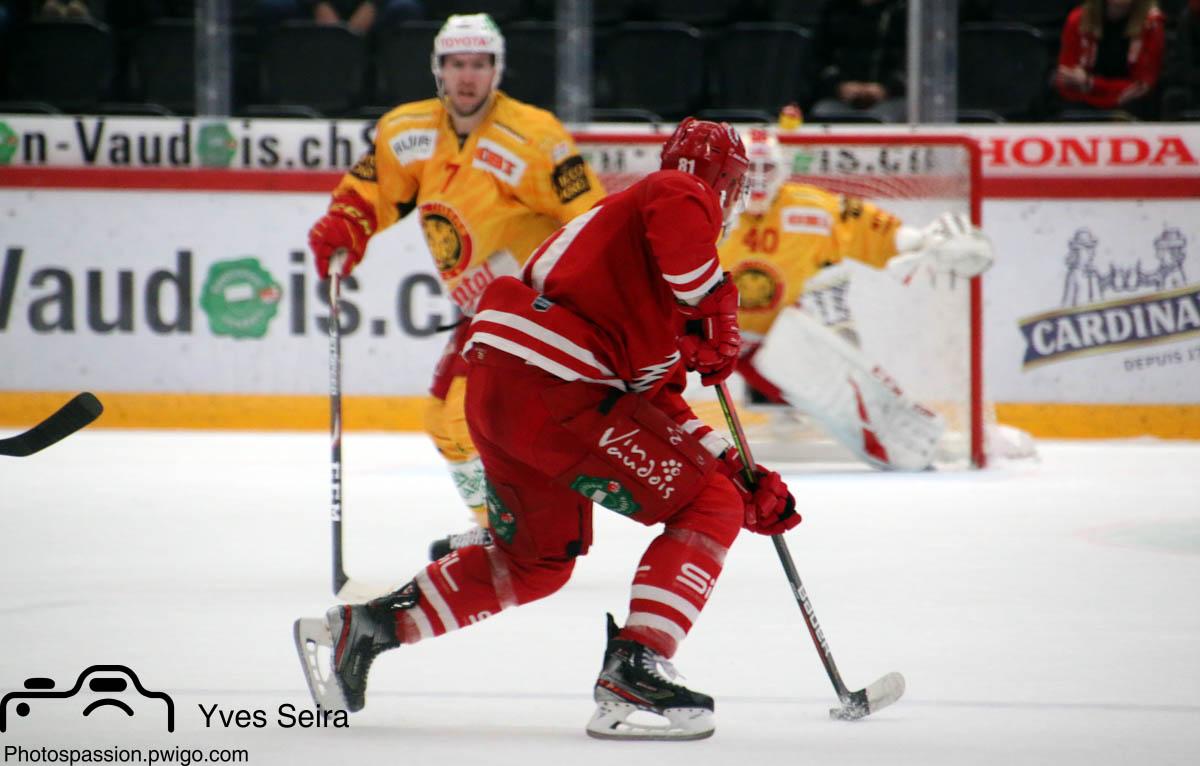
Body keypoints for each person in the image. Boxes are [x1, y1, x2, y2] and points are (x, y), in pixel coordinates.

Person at [294, 118, 800, 741]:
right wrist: (711, 301)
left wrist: (737, 469)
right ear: (725, 185)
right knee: (709, 504)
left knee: (535, 561)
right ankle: (636, 666)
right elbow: (678, 204)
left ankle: (368, 628)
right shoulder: (674, 195)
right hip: (556, 389)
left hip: (509, 397)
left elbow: (660, 408)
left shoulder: (651, 272)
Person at [305, 13, 606, 555]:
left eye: (479, 64)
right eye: (456, 64)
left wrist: (551, 282)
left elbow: (592, 222)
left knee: (470, 416)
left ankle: (523, 531)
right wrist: (346, 227)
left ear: (497, 70)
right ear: (437, 68)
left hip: (535, 308)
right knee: (443, 421)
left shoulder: (536, 138)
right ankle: (502, 529)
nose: (467, 76)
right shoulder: (408, 131)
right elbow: (374, 191)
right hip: (484, 313)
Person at [718, 128, 996, 471]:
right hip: (703, 328)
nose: (758, 178)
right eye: (750, 168)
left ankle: (838, 421)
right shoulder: (707, 209)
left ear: (784, 170)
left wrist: (922, 241)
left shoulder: (814, 209)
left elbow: (873, 229)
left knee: (827, 367)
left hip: (774, 334)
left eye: (767, 168)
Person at [1054, 0, 1166, 119]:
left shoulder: (1152, 23)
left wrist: (1090, 84)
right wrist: (1112, 95)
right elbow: (1065, 82)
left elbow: (1142, 86)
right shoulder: (1078, 20)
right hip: (1082, 104)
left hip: (1131, 106)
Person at [809, 0, 908, 123]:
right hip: (838, 100)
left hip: (891, 100)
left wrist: (887, 88)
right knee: (822, 114)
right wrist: (839, 87)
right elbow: (817, 62)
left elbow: (914, 65)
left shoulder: (904, 12)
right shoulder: (834, 12)